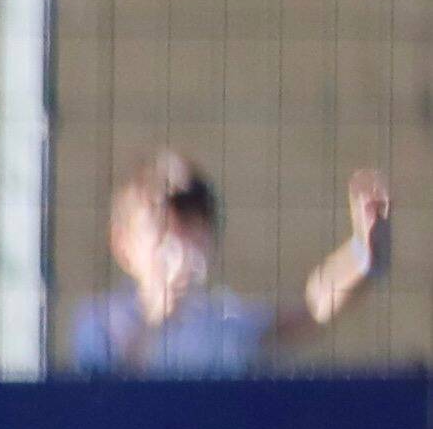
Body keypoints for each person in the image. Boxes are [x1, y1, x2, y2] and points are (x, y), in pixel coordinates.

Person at [66, 150, 392, 374]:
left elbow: (311, 311)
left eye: (193, 228)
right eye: (163, 230)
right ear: (124, 246)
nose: (180, 245)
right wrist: (155, 313)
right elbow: (102, 395)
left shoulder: (223, 321)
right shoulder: (99, 322)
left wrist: (362, 255)